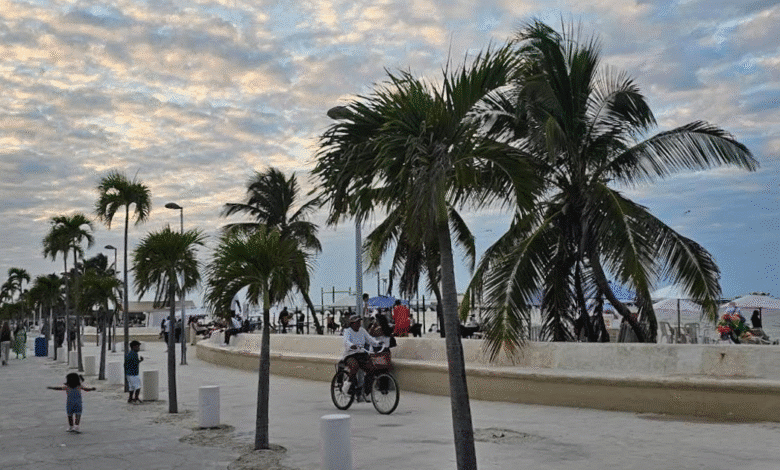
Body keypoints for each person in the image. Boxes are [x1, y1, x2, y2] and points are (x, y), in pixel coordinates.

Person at [342, 314, 380, 402]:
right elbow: (346, 341)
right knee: (354, 366)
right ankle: (347, 385)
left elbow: (370, 339)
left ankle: (367, 393)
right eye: (357, 322)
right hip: (350, 355)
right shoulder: (347, 331)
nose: (359, 324)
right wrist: (352, 345)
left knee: (371, 369)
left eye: (359, 322)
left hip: (361, 354)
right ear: (352, 323)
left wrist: (378, 343)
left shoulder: (362, 331)